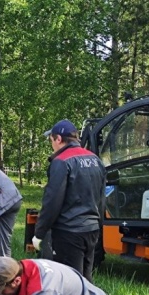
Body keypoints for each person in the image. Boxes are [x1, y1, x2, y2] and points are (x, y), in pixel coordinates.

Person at [32, 119, 105, 282]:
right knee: (86, 279)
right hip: (92, 229)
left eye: (51, 140)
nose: (51, 144)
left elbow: (52, 201)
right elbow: (101, 198)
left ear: (58, 139)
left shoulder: (61, 162)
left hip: (69, 231)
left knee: (69, 281)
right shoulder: (95, 160)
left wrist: (39, 233)